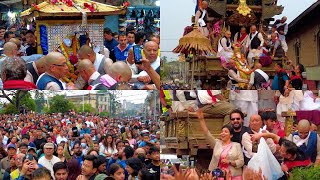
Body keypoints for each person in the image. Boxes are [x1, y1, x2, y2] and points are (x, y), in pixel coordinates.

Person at [197, 110, 244, 178]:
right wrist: (201, 120)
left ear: (231, 135)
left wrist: (229, 162)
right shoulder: (217, 143)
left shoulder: (236, 145)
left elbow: (241, 162)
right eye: (222, 132)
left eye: (225, 132)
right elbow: (207, 134)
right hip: (218, 176)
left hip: (234, 176)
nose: (223, 133)